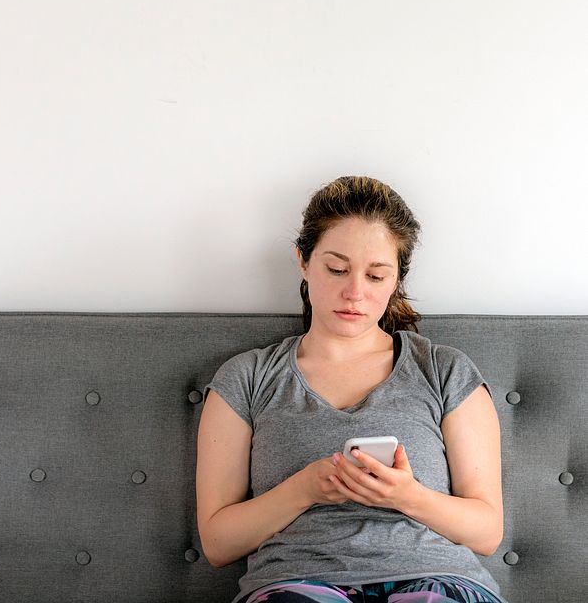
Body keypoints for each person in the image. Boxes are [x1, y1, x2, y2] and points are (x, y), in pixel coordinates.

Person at [196, 176, 507, 603]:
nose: (354, 292)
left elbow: (487, 533)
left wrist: (407, 496)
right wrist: (305, 490)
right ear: (303, 261)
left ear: (396, 279)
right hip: (297, 582)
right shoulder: (247, 378)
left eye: (376, 276)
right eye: (337, 269)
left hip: (436, 578)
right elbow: (217, 544)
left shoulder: (443, 371)